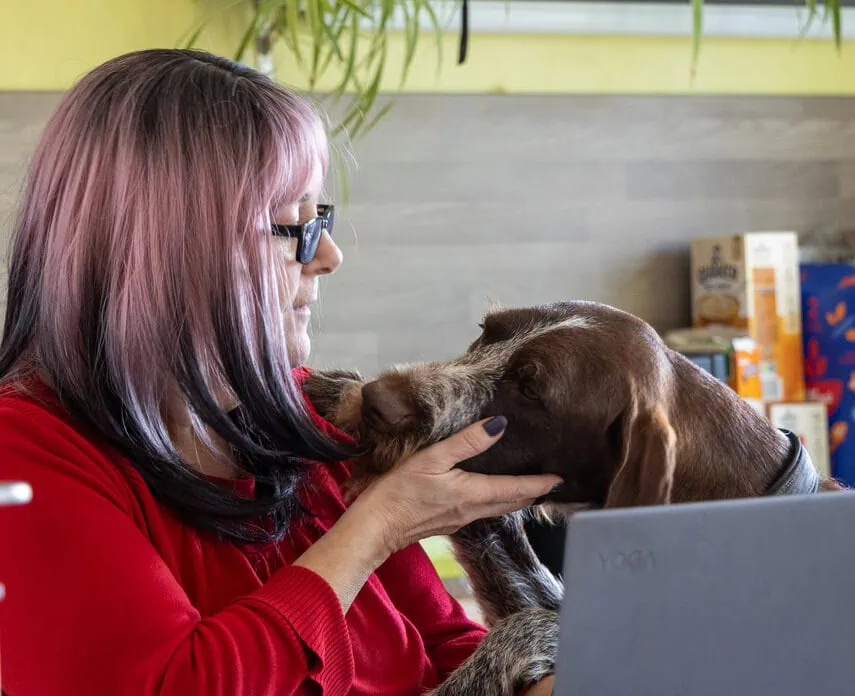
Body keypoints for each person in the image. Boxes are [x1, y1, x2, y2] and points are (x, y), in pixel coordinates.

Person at [0, 49, 562, 695]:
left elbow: (446, 647)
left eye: (319, 219)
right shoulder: (24, 457)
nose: (329, 255)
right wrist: (378, 527)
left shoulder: (302, 416)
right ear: (170, 247)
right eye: (294, 226)